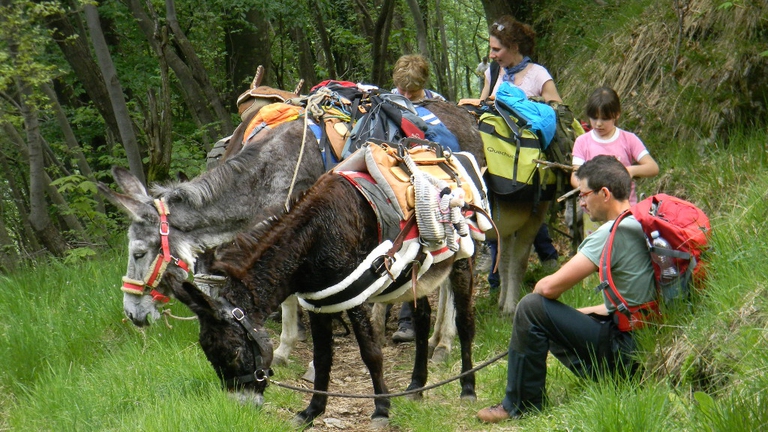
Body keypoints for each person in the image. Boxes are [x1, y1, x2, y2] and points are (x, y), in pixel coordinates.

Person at [477, 155, 657, 423]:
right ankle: (609, 381)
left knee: (531, 308)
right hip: (648, 346)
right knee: (553, 317)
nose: (581, 202)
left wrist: (539, 319)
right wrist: (569, 318)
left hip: (626, 354)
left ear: (604, 193)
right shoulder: (642, 221)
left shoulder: (611, 232)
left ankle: (520, 404)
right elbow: (627, 303)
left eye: (583, 195)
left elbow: (547, 288)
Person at [481, 16, 560, 291]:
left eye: (496, 49)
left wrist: (526, 106)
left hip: (529, 161)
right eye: (491, 49)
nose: (492, 55)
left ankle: (518, 281)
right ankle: (497, 284)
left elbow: (555, 111)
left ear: (513, 46)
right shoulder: (492, 72)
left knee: (527, 221)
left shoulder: (539, 74)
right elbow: (484, 107)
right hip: (498, 158)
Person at [389, 53, 445, 343]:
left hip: (424, 185)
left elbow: (448, 144)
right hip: (394, 181)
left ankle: (409, 318)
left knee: (417, 248)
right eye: (403, 91)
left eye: (413, 92)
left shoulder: (437, 106)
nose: (408, 96)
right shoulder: (388, 101)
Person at [570, 86, 659, 236]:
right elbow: (575, 176)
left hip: (625, 211)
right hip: (594, 212)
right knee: (598, 252)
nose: (598, 123)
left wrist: (630, 170)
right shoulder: (582, 142)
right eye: (594, 118)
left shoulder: (628, 139)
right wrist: (590, 187)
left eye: (604, 119)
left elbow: (652, 167)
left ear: (616, 115)